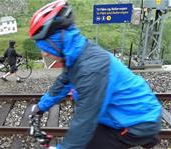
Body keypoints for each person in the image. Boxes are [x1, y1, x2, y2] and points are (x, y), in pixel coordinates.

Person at [28, 0, 162, 149]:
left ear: (59, 41)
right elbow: (63, 83)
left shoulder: (90, 68)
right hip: (126, 112)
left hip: (138, 122)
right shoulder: (77, 55)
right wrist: (40, 107)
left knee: (88, 142)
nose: (45, 53)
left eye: (46, 46)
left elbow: (84, 122)